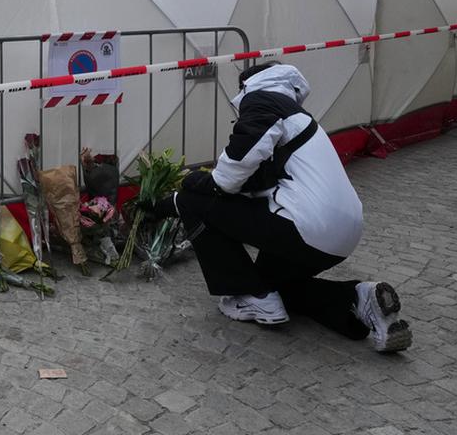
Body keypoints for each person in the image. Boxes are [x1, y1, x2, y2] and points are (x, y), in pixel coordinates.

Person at [144, 62, 412, 352]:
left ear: (248, 83)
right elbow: (259, 181)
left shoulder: (262, 98)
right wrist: (182, 196)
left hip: (308, 226)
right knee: (278, 287)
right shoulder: (296, 114)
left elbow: (232, 174)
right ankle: (359, 298)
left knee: (192, 200)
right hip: (342, 234)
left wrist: (190, 189)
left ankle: (251, 295)